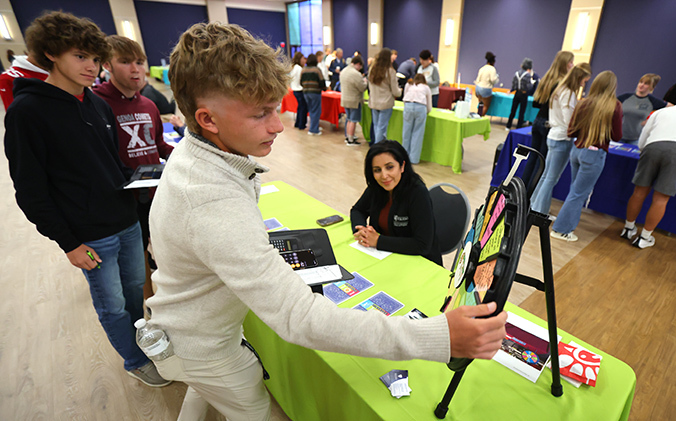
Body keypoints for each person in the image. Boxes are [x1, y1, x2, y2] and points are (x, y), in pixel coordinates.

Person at [148, 22, 507, 420]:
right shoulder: (210, 199)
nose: (276, 125)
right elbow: (299, 318)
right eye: (260, 114)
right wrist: (438, 336)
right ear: (208, 119)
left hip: (192, 334)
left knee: (204, 391)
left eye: (276, 108)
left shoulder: (199, 156)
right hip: (204, 346)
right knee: (250, 409)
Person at [4, 11, 169, 387]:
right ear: (50, 53)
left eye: (95, 58)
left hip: (126, 221)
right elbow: (30, 190)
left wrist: (145, 177)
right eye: (80, 56)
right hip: (90, 236)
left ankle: (144, 344)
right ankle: (135, 360)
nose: (91, 66)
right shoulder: (26, 112)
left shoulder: (95, 104)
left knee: (134, 294)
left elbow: (110, 165)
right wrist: (69, 242)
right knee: (111, 304)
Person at [93, 35, 174, 300]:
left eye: (139, 62)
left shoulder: (149, 104)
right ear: (107, 64)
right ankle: (148, 307)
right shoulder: (95, 104)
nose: (135, 69)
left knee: (164, 251)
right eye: (125, 62)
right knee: (136, 265)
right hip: (123, 200)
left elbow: (158, 145)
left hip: (156, 193)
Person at [621, 87, 676, 249]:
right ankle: (645, 238)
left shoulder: (661, 112)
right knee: (660, 199)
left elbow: (642, 141)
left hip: (652, 148)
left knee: (639, 192)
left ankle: (628, 228)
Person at [550, 71, 623, 242]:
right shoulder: (615, 106)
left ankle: (565, 226)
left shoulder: (583, 103)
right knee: (578, 193)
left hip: (577, 150)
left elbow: (571, 130)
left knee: (575, 191)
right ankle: (561, 229)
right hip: (594, 154)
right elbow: (617, 136)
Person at [351, 140, 442, 265]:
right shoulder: (376, 187)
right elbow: (357, 210)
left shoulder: (417, 192)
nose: (384, 175)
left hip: (419, 263)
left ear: (402, 166)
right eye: (377, 170)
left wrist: (378, 241)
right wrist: (361, 230)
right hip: (385, 258)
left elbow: (422, 245)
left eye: (389, 167)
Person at [530, 63, 591, 215]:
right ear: (579, 79)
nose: (584, 84)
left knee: (546, 175)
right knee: (551, 178)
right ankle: (539, 211)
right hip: (561, 138)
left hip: (554, 134)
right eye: (584, 81)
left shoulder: (559, 90)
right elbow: (568, 120)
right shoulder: (568, 93)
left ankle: (534, 206)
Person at [521, 51, 574, 191]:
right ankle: (530, 194)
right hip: (549, 124)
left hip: (537, 121)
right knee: (541, 162)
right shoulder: (562, 84)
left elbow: (537, 103)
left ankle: (521, 190)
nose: (573, 65)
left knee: (533, 158)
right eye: (571, 62)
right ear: (565, 64)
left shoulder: (546, 79)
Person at [617, 73, 668, 145]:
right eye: (641, 82)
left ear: (651, 87)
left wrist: (651, 120)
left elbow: (672, 107)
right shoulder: (625, 97)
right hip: (619, 137)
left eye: (646, 83)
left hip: (636, 139)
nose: (642, 85)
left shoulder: (652, 101)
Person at [368, 48, 401, 143]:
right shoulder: (390, 71)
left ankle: (378, 146)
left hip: (374, 102)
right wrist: (400, 91)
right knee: (382, 128)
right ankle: (377, 148)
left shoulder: (371, 70)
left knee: (376, 126)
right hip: (385, 103)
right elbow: (395, 91)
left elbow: (370, 87)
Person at [402, 74, 432, 164]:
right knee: (417, 134)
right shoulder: (426, 88)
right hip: (420, 107)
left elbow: (404, 97)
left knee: (406, 132)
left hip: (408, 105)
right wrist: (427, 112)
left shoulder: (409, 84)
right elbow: (429, 105)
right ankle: (414, 159)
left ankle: (403, 157)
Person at [340, 55, 366, 146]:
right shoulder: (356, 74)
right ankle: (351, 140)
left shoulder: (344, 71)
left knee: (349, 119)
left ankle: (348, 136)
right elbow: (362, 88)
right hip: (354, 101)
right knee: (353, 120)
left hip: (345, 99)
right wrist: (365, 82)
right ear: (358, 64)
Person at [506, 58, 539, 130]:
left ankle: (508, 126)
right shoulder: (527, 75)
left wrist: (511, 90)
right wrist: (532, 83)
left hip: (517, 93)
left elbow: (514, 84)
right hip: (524, 95)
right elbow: (529, 87)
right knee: (521, 112)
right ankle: (518, 127)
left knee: (513, 110)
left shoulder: (516, 73)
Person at [301, 53, 326, 135]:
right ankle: (313, 130)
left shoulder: (303, 69)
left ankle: (313, 126)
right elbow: (322, 81)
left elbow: (300, 82)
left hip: (306, 92)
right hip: (315, 92)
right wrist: (324, 88)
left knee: (311, 110)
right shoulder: (317, 70)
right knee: (316, 111)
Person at [474, 52, 499, 117]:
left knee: (480, 104)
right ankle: (479, 119)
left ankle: (477, 116)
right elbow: (493, 80)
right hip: (485, 88)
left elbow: (478, 79)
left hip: (478, 88)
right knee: (485, 106)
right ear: (493, 62)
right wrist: (497, 78)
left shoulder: (482, 68)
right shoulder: (492, 69)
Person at [289, 51, 308, 130]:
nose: (304, 61)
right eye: (303, 59)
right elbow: (302, 80)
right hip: (300, 90)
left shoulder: (293, 67)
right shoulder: (299, 68)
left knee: (300, 107)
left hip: (294, 89)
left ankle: (298, 123)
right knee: (303, 108)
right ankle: (301, 124)